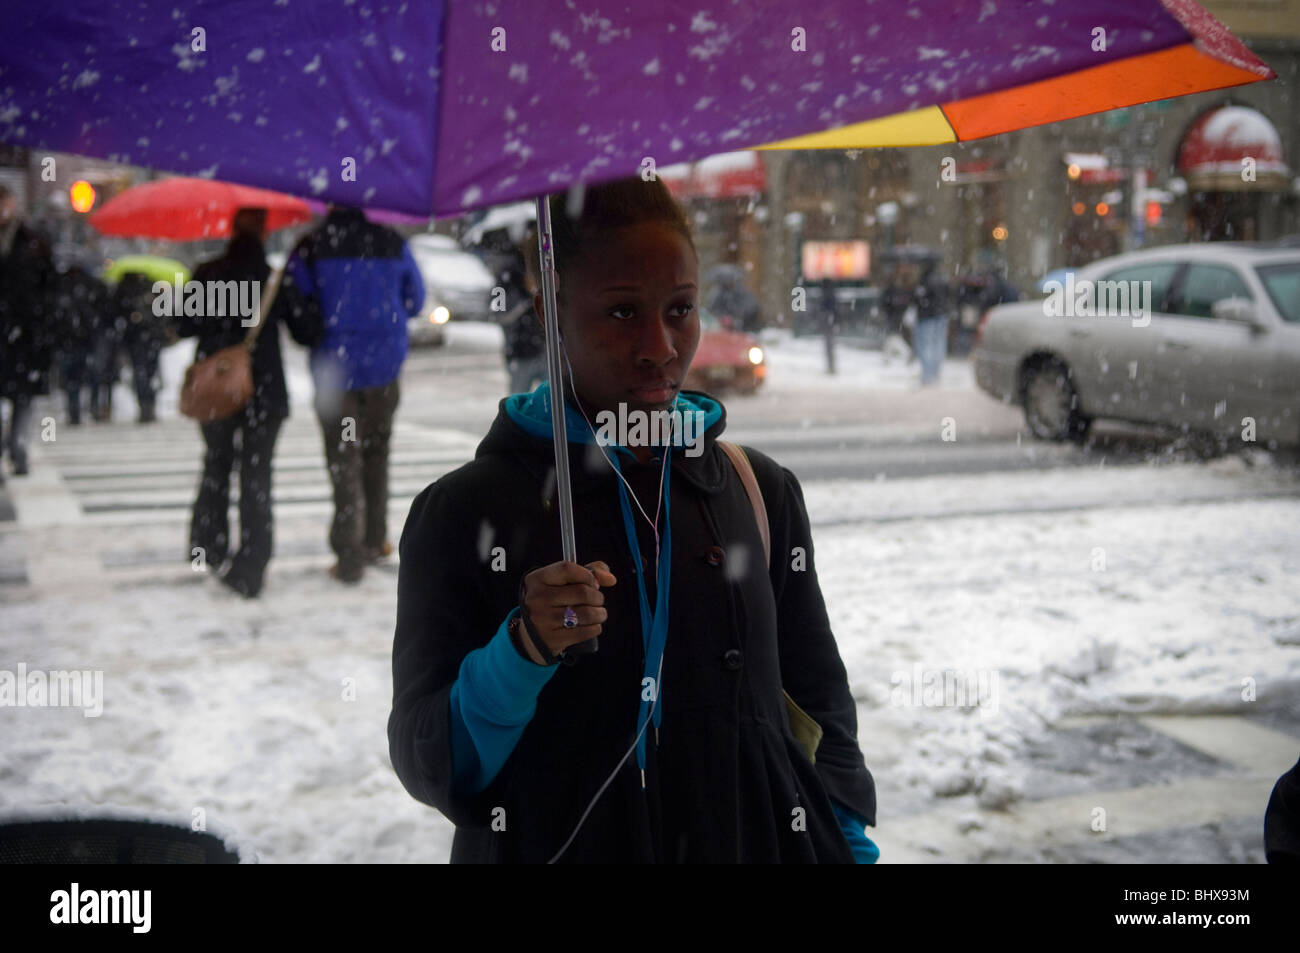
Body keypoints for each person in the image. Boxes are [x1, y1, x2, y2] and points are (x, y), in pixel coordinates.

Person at [388, 176, 878, 863]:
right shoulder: (464, 511)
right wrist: (523, 651)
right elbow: (429, 758)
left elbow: (820, 708)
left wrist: (846, 844)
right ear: (551, 307)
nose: (660, 346)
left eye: (680, 308)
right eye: (621, 313)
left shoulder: (757, 490)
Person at [177, 208, 321, 598]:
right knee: (257, 477)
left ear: (230, 229)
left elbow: (181, 325)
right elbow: (305, 331)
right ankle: (251, 566)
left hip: (216, 390)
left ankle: (208, 545)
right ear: (264, 230)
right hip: (265, 390)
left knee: (216, 464)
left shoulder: (207, 271)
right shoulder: (275, 277)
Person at [277, 204, 424, 583]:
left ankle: (349, 555)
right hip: (384, 369)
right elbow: (416, 300)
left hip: (335, 371)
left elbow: (296, 306)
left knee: (345, 460)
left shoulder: (311, 247)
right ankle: (376, 539)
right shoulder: (393, 242)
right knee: (378, 453)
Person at [0, 185, 56, 477]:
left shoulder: (33, 243)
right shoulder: (31, 244)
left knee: (23, 400)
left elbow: (49, 290)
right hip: (10, 335)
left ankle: (18, 448)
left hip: (26, 336)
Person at [497, 238, 546, 394]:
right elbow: (500, 313)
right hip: (520, 351)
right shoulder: (508, 274)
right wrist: (526, 297)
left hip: (548, 350)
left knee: (554, 401)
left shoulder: (546, 268)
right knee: (518, 399)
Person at [912, 258, 950, 387]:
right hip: (940, 316)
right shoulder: (941, 279)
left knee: (926, 346)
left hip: (927, 317)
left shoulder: (925, 281)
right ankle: (935, 374)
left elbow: (918, 298)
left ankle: (928, 376)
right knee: (938, 345)